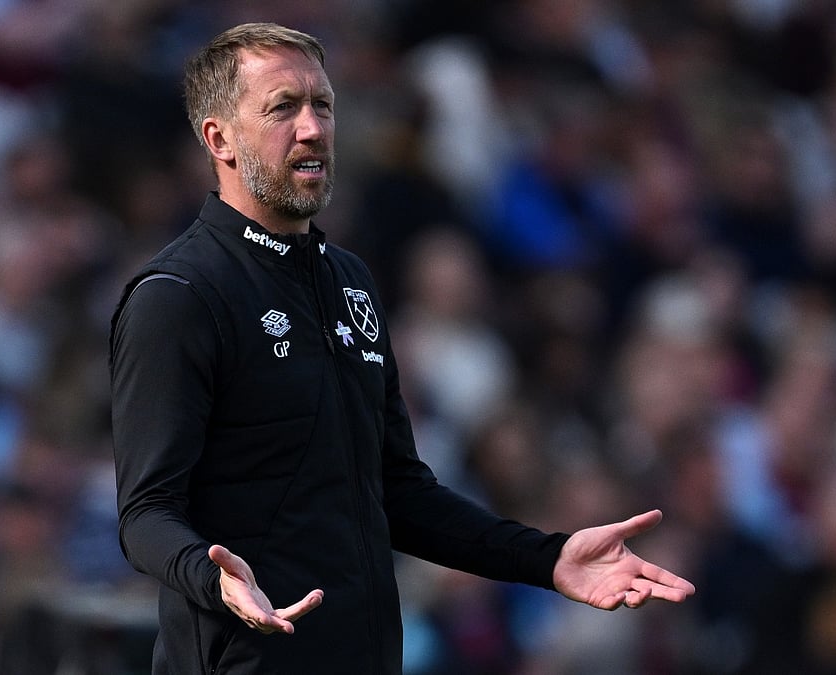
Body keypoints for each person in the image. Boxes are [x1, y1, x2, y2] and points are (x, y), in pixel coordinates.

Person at [109, 22, 695, 674]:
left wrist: (546, 557)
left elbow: (400, 492)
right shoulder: (178, 294)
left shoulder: (351, 282)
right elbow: (145, 513)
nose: (312, 128)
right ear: (219, 137)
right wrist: (210, 576)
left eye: (322, 105)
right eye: (282, 107)